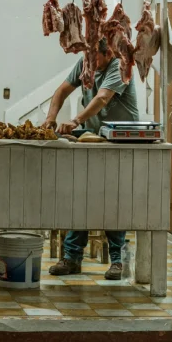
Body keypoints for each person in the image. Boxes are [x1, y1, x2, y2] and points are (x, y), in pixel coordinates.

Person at [41, 38, 139, 280]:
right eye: (87, 59)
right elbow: (61, 91)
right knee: (81, 195)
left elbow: (102, 98)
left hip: (119, 143)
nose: (90, 64)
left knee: (112, 199)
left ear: (108, 53)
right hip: (93, 138)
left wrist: (75, 120)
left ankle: (118, 261)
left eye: (94, 59)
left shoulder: (119, 65)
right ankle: (72, 258)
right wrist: (50, 118)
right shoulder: (86, 63)